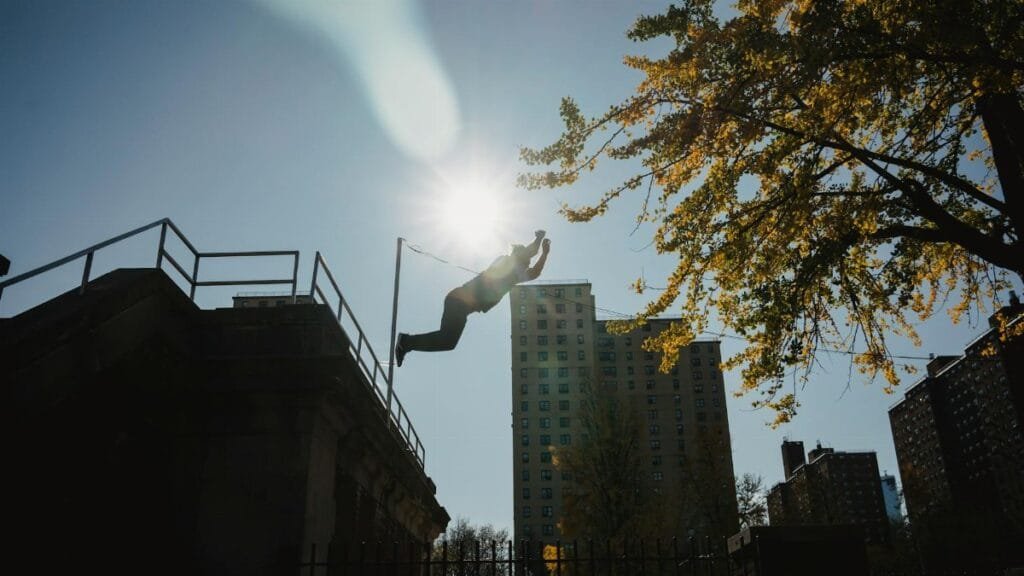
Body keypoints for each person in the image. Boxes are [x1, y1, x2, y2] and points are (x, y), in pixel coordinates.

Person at [396, 230, 550, 366]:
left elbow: (535, 272)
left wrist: (544, 253)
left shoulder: (513, 277)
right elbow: (527, 256)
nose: (526, 267)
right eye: (525, 263)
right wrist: (538, 240)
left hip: (460, 306)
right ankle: (406, 342)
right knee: (447, 340)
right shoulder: (504, 262)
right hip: (458, 300)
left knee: (448, 342)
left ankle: (406, 343)